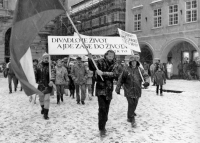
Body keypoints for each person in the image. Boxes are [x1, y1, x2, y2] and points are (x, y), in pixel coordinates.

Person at [88, 50, 120, 137]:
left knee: (106, 108)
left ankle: (104, 121)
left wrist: (103, 73)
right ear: (106, 55)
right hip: (100, 88)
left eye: (112, 55)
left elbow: (115, 74)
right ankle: (102, 128)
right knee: (102, 108)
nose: (110, 56)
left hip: (109, 89)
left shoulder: (115, 64)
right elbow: (92, 66)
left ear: (114, 56)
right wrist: (90, 58)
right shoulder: (100, 62)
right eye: (109, 55)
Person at [115, 55, 149, 128]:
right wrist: (118, 88)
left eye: (135, 62)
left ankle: (129, 115)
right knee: (131, 104)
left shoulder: (140, 70)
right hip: (128, 90)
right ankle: (132, 119)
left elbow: (146, 76)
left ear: (137, 62)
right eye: (132, 62)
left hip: (137, 90)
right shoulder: (126, 70)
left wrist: (147, 82)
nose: (134, 63)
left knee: (135, 103)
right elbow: (121, 79)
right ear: (130, 62)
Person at [37, 53, 56, 120]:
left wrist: (52, 80)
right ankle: (42, 107)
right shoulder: (38, 66)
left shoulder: (51, 66)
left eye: (47, 58)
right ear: (42, 58)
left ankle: (46, 114)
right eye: (45, 58)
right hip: (40, 85)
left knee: (47, 99)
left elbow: (53, 73)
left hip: (48, 85)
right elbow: (36, 75)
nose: (46, 59)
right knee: (41, 99)